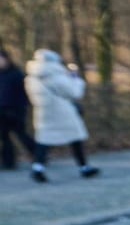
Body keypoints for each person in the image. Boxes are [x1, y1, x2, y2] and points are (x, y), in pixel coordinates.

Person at [25, 48, 96, 182]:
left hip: (43, 112)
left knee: (44, 140)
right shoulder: (55, 75)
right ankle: (84, 167)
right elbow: (75, 92)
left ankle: (37, 168)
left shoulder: (31, 77)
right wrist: (76, 79)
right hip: (62, 111)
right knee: (75, 138)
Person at [0, 46, 35, 170]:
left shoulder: (16, 74)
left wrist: (19, 109)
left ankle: (38, 153)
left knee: (21, 134)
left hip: (16, 110)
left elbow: (23, 94)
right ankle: (8, 161)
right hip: (2, 110)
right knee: (4, 137)